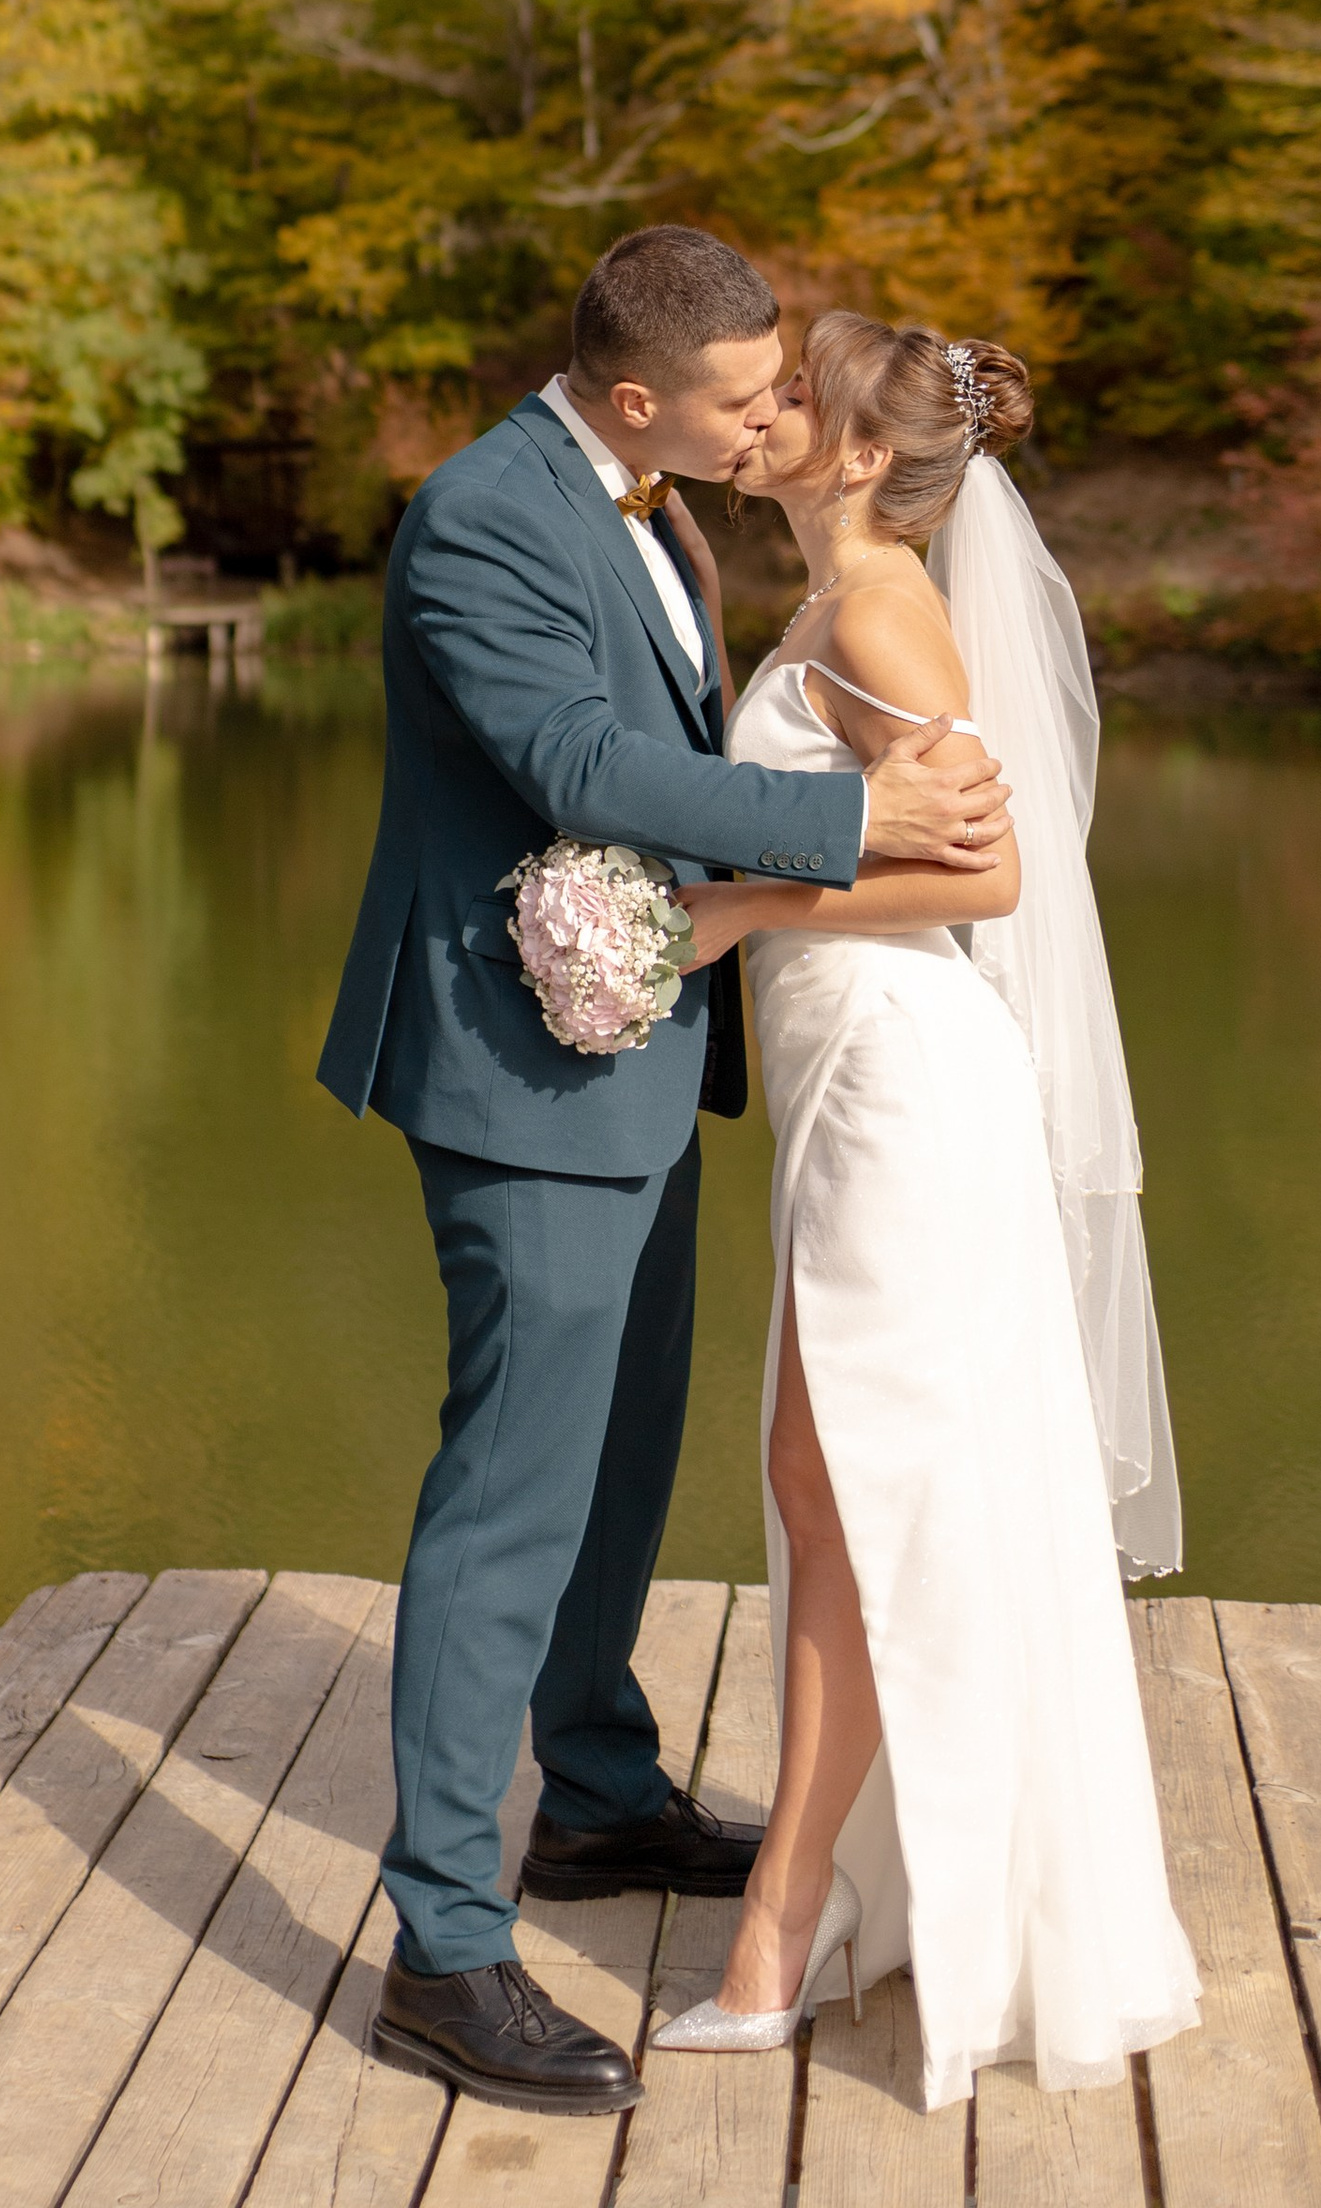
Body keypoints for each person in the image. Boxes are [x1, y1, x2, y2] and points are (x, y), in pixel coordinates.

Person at [317, 229, 1014, 2119]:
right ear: (636, 401)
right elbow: (573, 757)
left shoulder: (666, 507)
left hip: (637, 1052)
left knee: (624, 1456)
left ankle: (597, 1799)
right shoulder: (483, 518)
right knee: (511, 1495)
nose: (771, 414)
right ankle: (444, 1950)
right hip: (520, 1068)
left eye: (781, 384)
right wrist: (857, 817)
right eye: (741, 398)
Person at [648, 312, 1200, 2106]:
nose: (769, 411)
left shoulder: (883, 606)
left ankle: (776, 1931)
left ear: (867, 457)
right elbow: (881, 827)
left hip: (901, 1082)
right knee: (824, 1497)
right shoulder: (823, 607)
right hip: (846, 1087)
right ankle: (835, 1894)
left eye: (797, 393)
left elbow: (996, 867)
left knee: (852, 1498)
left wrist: (740, 914)